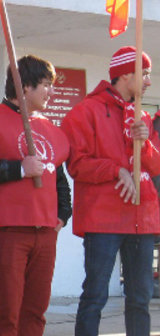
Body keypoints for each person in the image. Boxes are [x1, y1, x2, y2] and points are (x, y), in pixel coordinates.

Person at [0, 55, 72, 336]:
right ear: (25, 87)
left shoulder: (49, 127)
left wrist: (63, 214)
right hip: (4, 228)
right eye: (46, 85)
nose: (51, 91)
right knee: (6, 312)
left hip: (45, 230)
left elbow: (57, 176)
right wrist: (19, 169)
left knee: (35, 312)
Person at [61, 46, 160, 336]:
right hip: (102, 220)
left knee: (140, 299)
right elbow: (77, 164)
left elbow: (154, 167)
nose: (149, 82)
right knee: (95, 296)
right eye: (145, 74)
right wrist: (117, 170)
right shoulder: (85, 111)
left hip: (141, 218)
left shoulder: (143, 116)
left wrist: (147, 143)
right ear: (126, 75)